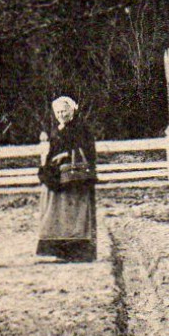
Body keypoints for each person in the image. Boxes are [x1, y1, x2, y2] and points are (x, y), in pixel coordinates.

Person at [35, 95, 98, 262]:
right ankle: (59, 251)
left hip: (75, 178)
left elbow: (88, 151)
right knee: (57, 213)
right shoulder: (59, 129)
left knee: (76, 214)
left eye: (65, 110)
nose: (61, 114)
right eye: (58, 112)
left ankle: (77, 252)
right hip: (59, 175)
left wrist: (68, 154)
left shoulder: (81, 128)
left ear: (72, 110)